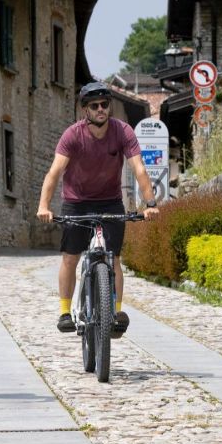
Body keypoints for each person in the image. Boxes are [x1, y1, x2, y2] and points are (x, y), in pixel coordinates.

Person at [36, 82, 160, 335]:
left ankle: (114, 311)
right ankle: (64, 311)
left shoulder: (122, 131)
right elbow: (54, 172)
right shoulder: (73, 135)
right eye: (95, 106)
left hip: (110, 200)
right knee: (70, 257)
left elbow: (139, 169)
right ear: (85, 110)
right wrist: (44, 206)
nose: (101, 109)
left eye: (105, 104)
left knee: (113, 258)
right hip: (76, 201)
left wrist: (150, 204)